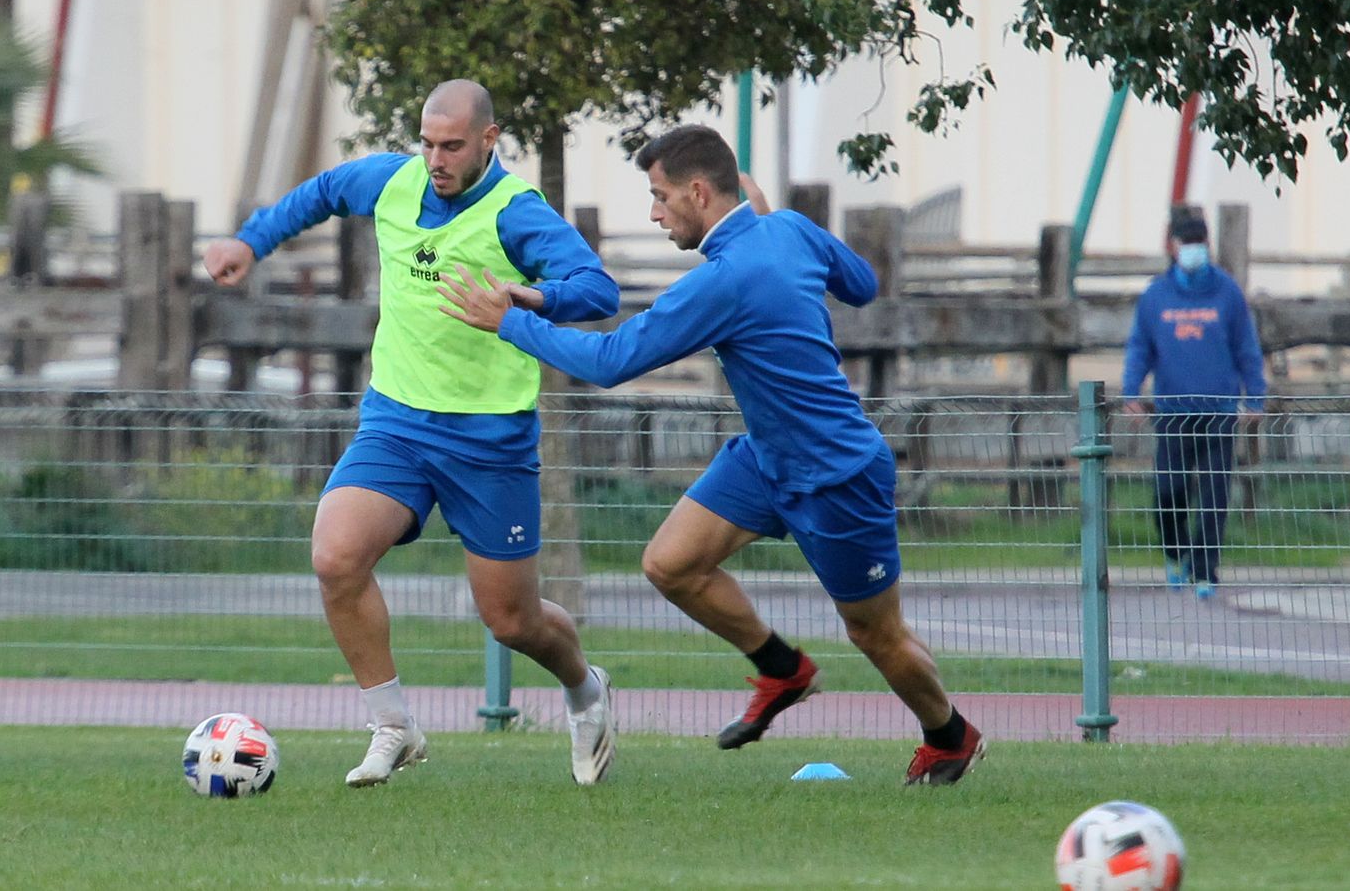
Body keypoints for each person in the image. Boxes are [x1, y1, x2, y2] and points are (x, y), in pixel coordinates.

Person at [436, 124, 984, 785]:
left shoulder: (724, 281)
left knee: (876, 635)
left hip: (836, 473)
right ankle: (783, 670)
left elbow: (611, 362)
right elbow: (863, 285)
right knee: (670, 564)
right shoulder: (788, 231)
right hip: (765, 457)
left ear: (700, 192)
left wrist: (510, 322)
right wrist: (539, 299)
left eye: (661, 196)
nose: (654, 212)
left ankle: (949, 737)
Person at [203, 79, 620, 788]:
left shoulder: (517, 214)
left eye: (452, 145)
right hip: (396, 422)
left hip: (490, 439)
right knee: (336, 556)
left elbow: (598, 288)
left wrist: (526, 294)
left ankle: (586, 688)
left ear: (489, 140)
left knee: (512, 622)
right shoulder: (392, 181)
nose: (435, 159)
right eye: (427, 143)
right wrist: (250, 240)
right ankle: (393, 724)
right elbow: (323, 192)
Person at [1121, 211, 1266, 600]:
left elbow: (1246, 348)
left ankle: (1205, 571)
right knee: (1169, 491)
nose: (1194, 250)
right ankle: (1176, 552)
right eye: (1187, 243)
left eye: (1200, 242)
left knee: (1215, 494)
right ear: (1173, 247)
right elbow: (1140, 348)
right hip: (1173, 411)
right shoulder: (1156, 296)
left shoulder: (1227, 292)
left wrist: (1255, 397)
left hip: (1218, 410)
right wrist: (1131, 393)